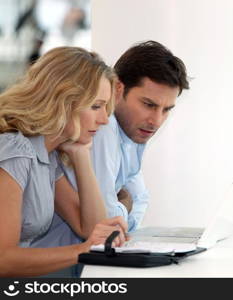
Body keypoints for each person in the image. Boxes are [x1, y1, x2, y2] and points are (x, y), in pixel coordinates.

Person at [33, 40, 190, 247]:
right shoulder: (100, 130)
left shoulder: (133, 133)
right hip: (62, 263)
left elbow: (139, 199)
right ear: (118, 89)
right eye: (148, 105)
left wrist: (123, 207)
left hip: (77, 261)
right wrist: (125, 205)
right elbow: (103, 226)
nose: (157, 121)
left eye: (167, 109)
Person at [0, 46, 128, 277]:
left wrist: (81, 156)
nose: (103, 120)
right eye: (96, 106)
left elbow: (89, 228)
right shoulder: (14, 150)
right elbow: (3, 259)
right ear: (63, 100)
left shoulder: (46, 154)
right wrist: (82, 250)